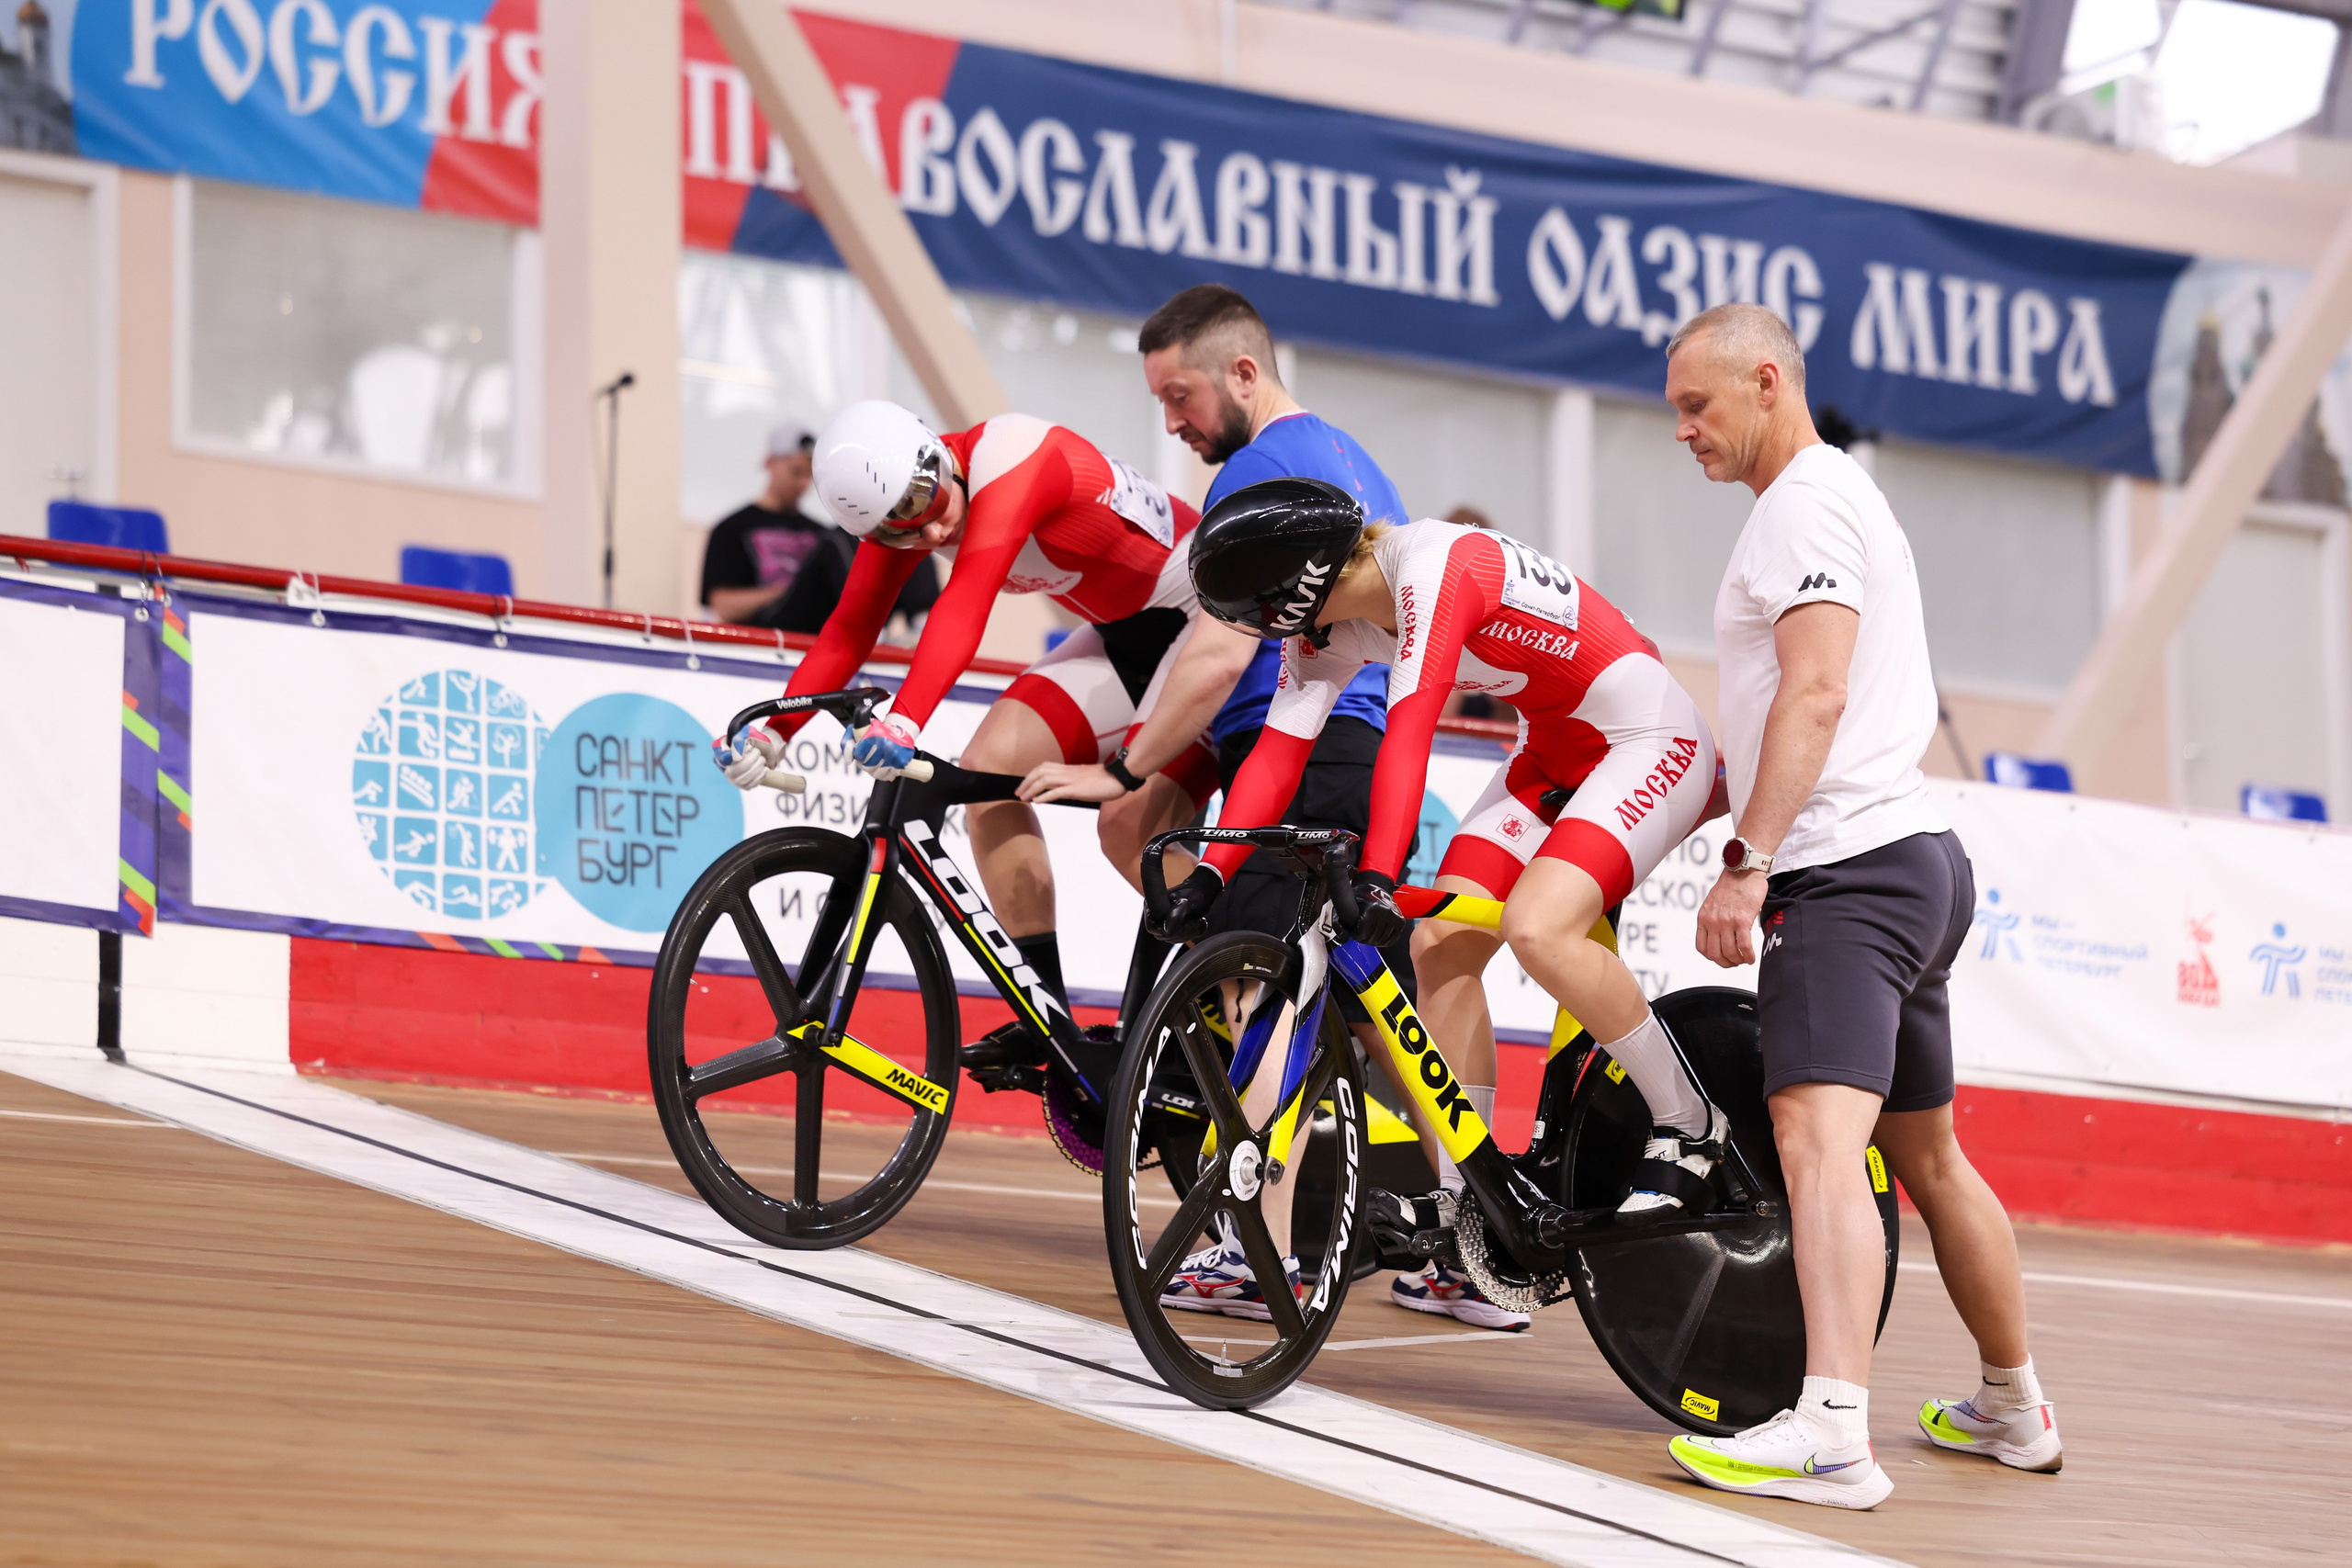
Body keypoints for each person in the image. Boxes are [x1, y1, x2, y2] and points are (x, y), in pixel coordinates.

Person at [1155, 478, 1731, 1332]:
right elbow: (1277, 754)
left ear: (1289, 584)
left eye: (1246, 606)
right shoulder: (1327, 626)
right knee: (1440, 947)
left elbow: (1412, 730)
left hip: (1648, 739)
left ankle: (1691, 1122)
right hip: (1556, 748)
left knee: (1538, 926)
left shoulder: (1431, 565)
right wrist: (1211, 870)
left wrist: (1380, 874)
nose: (1248, 623)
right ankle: (1475, 1222)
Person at [1663, 303, 2058, 1509]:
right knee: (1928, 1153)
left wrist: (1747, 858)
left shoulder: (1803, 506)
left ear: (1769, 380)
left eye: (1698, 403)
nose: (1682, 429)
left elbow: (1817, 692)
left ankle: (1832, 1430)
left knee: (1815, 1142)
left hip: (1850, 869)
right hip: (1915, 859)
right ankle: (2013, 1401)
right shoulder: (1833, 496)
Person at [1017, 284, 1424, 1325]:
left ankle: (1265, 1254)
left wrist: (1124, 759)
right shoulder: (1343, 454)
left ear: (1243, 374)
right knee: (1367, 1004)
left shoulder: (1262, 468)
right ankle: (1462, 1224)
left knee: (1267, 993)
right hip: (1300, 744)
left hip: (1309, 744)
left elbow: (1217, 644)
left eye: (1180, 395)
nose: (1171, 423)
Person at [712, 400, 1225, 1091]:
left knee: (1129, 827)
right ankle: (1048, 1019)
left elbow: (967, 600)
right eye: (901, 527)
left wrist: (906, 721)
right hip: (1127, 633)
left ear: (934, 452)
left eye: (926, 498)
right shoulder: (901, 509)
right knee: (987, 780)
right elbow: (847, 631)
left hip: (1206, 618)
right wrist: (776, 727)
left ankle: (1253, 989)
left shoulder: (1013, 454)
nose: (931, 525)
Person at [699, 421, 936, 635]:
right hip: (776, 623)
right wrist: (780, 591)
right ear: (770, 462)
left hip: (826, 618)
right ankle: (865, 626)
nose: (803, 484)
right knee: (839, 536)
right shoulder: (732, 528)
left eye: (808, 476)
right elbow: (723, 606)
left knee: (892, 525)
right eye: (796, 472)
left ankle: (922, 622)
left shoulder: (817, 529)